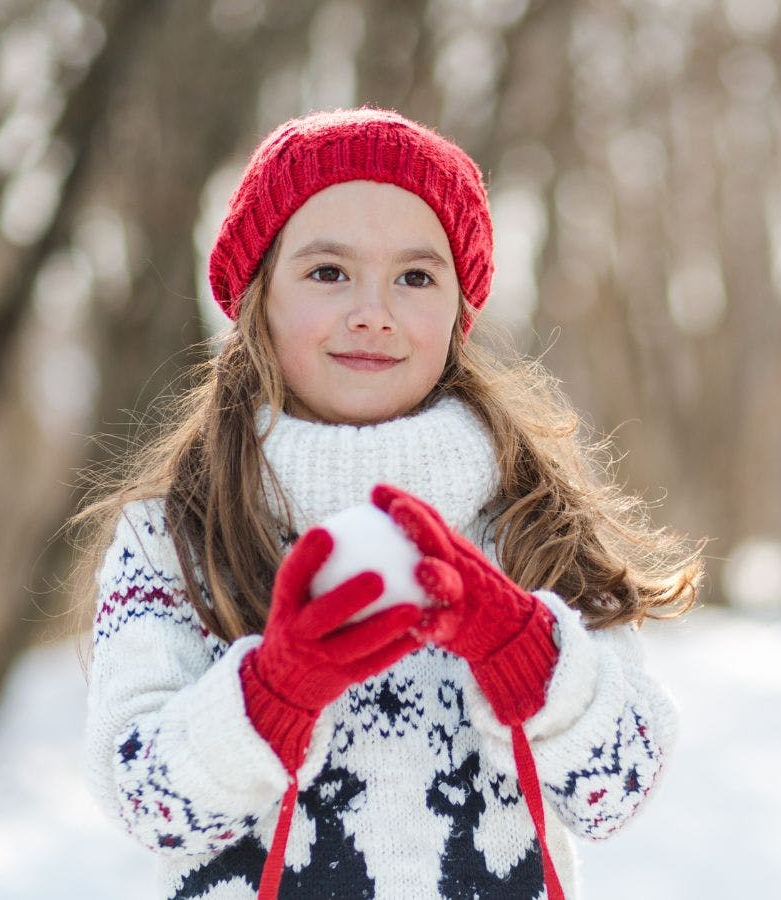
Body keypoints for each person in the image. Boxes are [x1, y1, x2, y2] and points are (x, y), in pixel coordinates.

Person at [72, 105, 702, 900]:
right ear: (256, 298)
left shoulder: (531, 521)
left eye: (415, 276)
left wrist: (530, 658)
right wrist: (272, 692)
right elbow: (144, 800)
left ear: (458, 313)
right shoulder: (176, 537)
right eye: (328, 272)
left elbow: (622, 786)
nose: (373, 311)